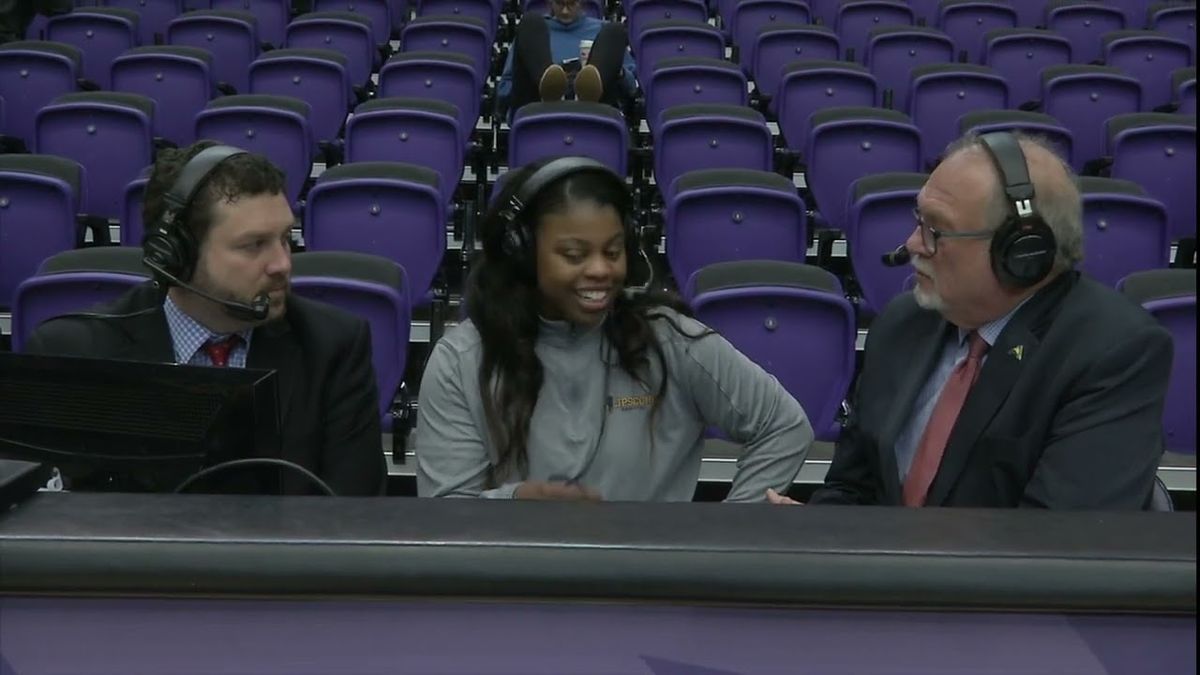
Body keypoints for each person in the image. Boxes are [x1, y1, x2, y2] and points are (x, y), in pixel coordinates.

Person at [769, 131, 1172, 509]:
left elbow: (1061, 548)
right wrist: (817, 535)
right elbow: (853, 487)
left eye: (936, 231)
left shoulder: (1114, 351)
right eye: (918, 221)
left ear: (1021, 254)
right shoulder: (902, 323)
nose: (912, 245)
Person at [416, 156, 813, 501]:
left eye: (613, 251)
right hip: (515, 580)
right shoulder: (461, 361)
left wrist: (727, 534)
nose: (601, 270)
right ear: (522, 253)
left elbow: (783, 425)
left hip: (653, 581)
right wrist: (516, 501)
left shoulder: (671, 341)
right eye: (574, 254)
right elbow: (447, 511)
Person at [24, 141, 386, 496]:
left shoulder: (332, 346)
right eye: (254, 245)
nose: (282, 264)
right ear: (177, 255)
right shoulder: (77, 355)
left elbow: (353, 517)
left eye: (285, 239)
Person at [497, 0, 638, 119]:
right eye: (559, 3)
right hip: (538, 108)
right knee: (530, 21)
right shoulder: (533, 33)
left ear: (581, 2)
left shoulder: (603, 30)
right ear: (549, 2)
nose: (565, 11)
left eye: (571, 3)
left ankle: (587, 91)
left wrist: (614, 70)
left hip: (595, 110)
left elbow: (631, 88)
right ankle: (550, 85)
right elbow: (504, 89)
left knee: (615, 30)